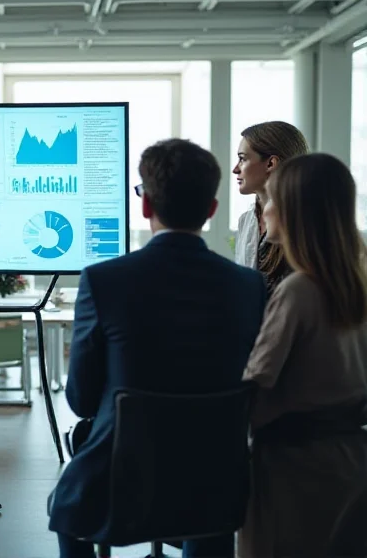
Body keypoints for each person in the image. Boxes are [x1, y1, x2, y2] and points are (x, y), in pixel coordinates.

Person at [48, 139, 267, 558]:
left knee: (67, 506)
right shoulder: (247, 286)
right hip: (214, 482)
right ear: (212, 209)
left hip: (122, 479)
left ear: (146, 205)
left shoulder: (104, 280)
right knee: (210, 510)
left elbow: (79, 400)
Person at [239, 153, 367, 557]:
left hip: (290, 473)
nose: (266, 210)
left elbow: (255, 388)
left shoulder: (297, 292)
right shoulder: (357, 288)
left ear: (293, 211)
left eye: (271, 200)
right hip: (350, 465)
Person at [232, 121, 309, 295]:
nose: (235, 169)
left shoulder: (304, 225)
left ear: (270, 163)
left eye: (243, 159)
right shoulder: (246, 221)